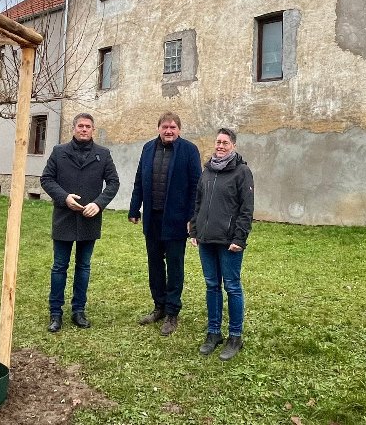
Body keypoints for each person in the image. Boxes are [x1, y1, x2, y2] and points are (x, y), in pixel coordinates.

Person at [40, 113, 120, 332]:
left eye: (88, 126)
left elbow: (113, 182)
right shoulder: (59, 152)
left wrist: (99, 203)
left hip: (89, 219)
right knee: (59, 267)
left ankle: (78, 311)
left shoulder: (103, 154)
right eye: (80, 126)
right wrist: (64, 197)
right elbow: (46, 179)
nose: (84, 129)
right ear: (73, 128)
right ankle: (55, 312)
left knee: (83, 266)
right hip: (64, 218)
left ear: (93, 130)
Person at [128, 112, 201, 336]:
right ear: (158, 128)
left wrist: (193, 217)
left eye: (173, 127)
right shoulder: (148, 148)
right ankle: (159, 306)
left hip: (177, 220)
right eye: (165, 127)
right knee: (155, 264)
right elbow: (140, 179)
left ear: (179, 129)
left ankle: (172, 312)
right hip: (153, 218)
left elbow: (196, 186)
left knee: (175, 266)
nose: (168, 131)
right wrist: (134, 208)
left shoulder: (189, 150)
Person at [190, 128, 254, 361]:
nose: (220, 146)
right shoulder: (207, 171)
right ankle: (213, 332)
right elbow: (198, 203)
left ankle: (235, 336)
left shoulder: (242, 172)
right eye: (218, 142)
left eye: (225, 142)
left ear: (233, 146)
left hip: (229, 242)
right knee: (211, 286)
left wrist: (240, 238)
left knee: (232, 287)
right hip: (206, 239)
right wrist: (194, 230)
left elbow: (246, 209)